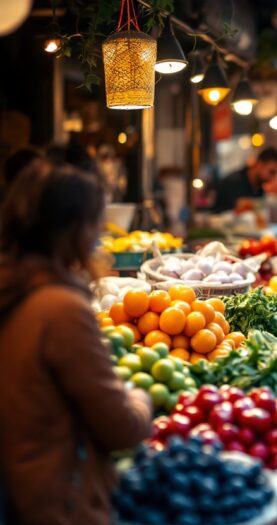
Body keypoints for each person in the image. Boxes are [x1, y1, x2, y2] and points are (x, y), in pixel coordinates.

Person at [0, 160, 153, 524]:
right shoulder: (60, 308)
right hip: (61, 501)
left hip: (22, 484)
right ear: (74, 230)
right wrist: (140, 399)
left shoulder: (13, 285)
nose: (100, 233)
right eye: (95, 223)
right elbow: (121, 427)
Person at [214, 147, 277, 212]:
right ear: (260, 164)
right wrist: (268, 202)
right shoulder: (234, 181)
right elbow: (239, 206)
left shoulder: (259, 188)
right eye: (271, 172)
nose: (272, 178)